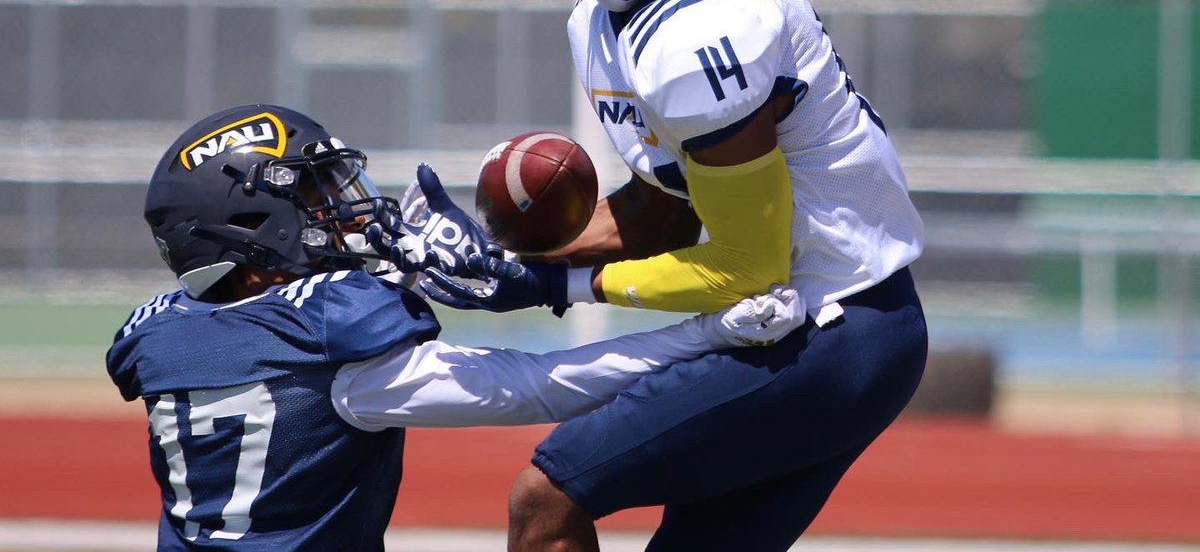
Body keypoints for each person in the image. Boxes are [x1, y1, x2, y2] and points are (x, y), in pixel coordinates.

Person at [412, 0, 930, 551]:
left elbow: (744, 269)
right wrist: (508, 258)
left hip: (833, 329)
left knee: (548, 494)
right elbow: (666, 208)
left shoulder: (707, 29)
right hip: (808, 322)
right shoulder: (613, 15)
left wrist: (554, 285)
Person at [105, 103, 805, 551]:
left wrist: (424, 265)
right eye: (315, 199)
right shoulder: (327, 340)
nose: (345, 213)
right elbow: (539, 386)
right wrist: (708, 335)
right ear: (252, 229)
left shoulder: (165, 334)